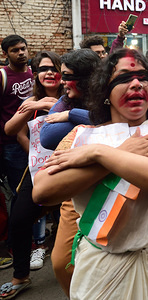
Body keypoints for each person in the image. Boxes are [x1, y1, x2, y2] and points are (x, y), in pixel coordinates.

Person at [32, 48, 148, 299]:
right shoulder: (82, 136)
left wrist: (100, 154)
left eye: (144, 77)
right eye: (124, 78)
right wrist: (119, 151)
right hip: (101, 271)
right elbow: (42, 190)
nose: (137, 84)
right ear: (105, 91)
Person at [0, 50, 63, 299]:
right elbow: (11, 129)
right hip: (38, 170)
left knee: (73, 222)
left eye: (54, 68)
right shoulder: (30, 101)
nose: (49, 72)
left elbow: (64, 109)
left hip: (73, 169)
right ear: (35, 75)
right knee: (19, 219)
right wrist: (36, 152)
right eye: (43, 69)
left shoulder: (72, 98)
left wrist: (42, 103)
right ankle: (20, 276)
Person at [39, 49, 101, 297]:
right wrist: (77, 115)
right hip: (74, 191)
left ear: (87, 79)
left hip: (112, 188)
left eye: (67, 76)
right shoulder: (66, 99)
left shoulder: (107, 96)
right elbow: (48, 135)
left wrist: (72, 116)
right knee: (62, 262)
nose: (61, 81)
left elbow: (116, 122)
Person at [0, 34, 34, 269]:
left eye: (23, 48)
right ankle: (17, 244)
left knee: (30, 193)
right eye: (15, 50)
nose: (21, 53)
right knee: (18, 194)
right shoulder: (3, 76)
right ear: (6, 54)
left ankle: (32, 240)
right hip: (10, 143)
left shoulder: (33, 72)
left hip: (33, 139)